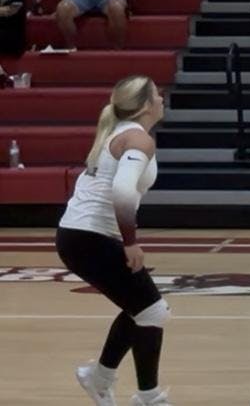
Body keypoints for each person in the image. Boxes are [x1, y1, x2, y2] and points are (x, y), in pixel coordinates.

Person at [54, 75, 173, 406]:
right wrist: (130, 241)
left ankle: (100, 378)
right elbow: (122, 191)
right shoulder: (137, 139)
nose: (162, 99)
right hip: (88, 237)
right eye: (157, 95)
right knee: (153, 311)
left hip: (78, 236)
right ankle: (148, 397)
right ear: (146, 105)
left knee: (143, 309)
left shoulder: (121, 133)